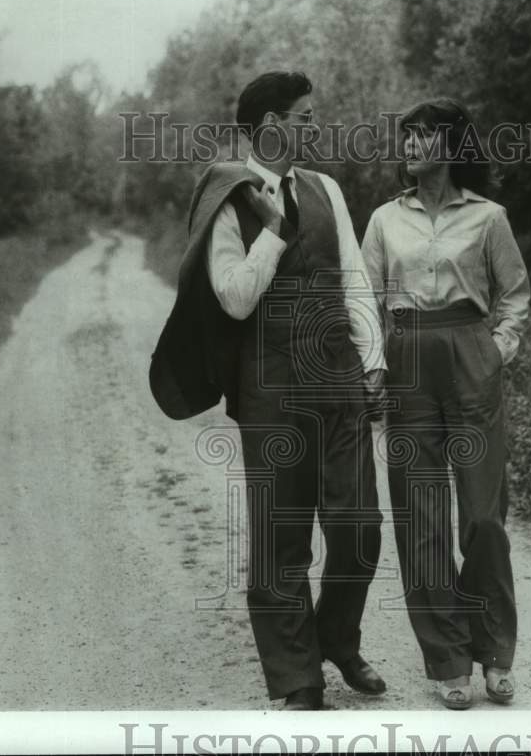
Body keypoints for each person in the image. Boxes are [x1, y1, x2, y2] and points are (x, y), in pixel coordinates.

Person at [149, 71, 387, 711]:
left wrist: (373, 361)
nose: (314, 126)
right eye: (304, 116)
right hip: (271, 388)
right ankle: (297, 677)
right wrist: (276, 231)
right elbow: (232, 297)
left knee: (360, 526)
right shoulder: (228, 196)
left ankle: (336, 636)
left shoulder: (328, 188)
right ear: (272, 126)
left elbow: (354, 279)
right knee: (282, 539)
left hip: (338, 378)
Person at [360, 97, 530, 710]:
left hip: (469, 355)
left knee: (483, 518)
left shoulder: (488, 218)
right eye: (405, 137)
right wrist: (375, 367)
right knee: (421, 518)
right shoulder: (383, 220)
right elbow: (365, 301)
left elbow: (513, 297)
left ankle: (494, 649)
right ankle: (448, 659)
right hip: (407, 360)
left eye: (423, 137)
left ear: (452, 147)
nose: (409, 147)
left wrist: (494, 352)